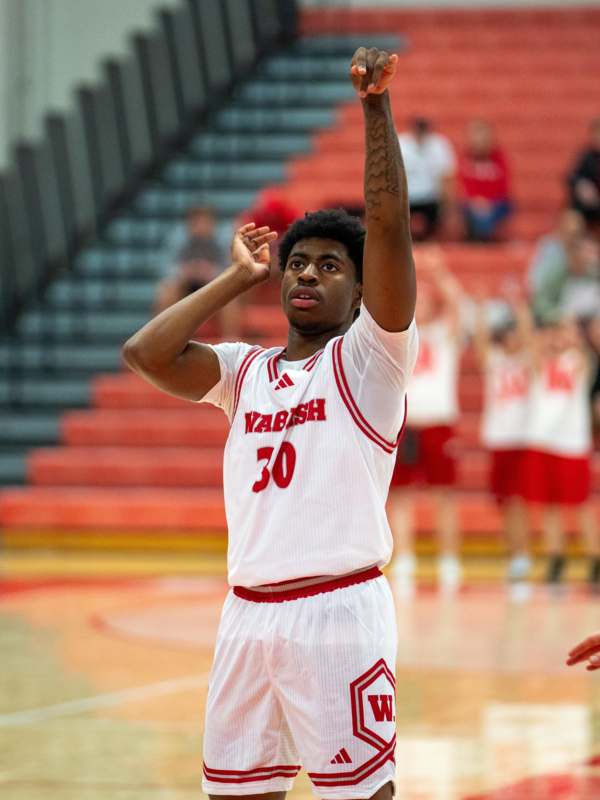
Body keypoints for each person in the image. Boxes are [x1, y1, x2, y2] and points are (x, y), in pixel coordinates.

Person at [123, 47, 417, 799]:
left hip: (339, 611)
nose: (306, 274)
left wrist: (375, 108)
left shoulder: (367, 361)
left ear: (358, 295)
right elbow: (145, 352)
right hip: (247, 617)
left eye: (328, 265)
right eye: (295, 264)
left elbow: (385, 228)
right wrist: (234, 276)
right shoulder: (243, 371)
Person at [388, 248, 463, 592]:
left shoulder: (445, 336)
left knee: (444, 496)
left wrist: (439, 273)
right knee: (401, 497)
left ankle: (448, 560)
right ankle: (404, 559)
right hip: (405, 423)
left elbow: (460, 308)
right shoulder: (399, 339)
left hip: (438, 422)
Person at [522, 319, 599, 587]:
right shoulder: (540, 360)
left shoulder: (579, 360)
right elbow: (531, 346)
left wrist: (570, 340)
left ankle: (594, 560)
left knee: (580, 505)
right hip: (542, 441)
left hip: (571, 444)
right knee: (549, 506)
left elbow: (584, 358)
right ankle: (556, 558)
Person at [473, 284, 532, 583]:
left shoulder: (528, 362)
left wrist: (518, 305)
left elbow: (530, 337)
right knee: (505, 502)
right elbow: (481, 344)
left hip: (521, 439)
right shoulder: (495, 361)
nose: (512, 339)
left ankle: (521, 555)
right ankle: (514, 554)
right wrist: (483, 310)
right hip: (499, 438)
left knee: (518, 502)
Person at [154, 206, 241, 338]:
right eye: (197, 222)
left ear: (213, 223)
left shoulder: (223, 239)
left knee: (230, 298)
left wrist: (212, 272)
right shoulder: (178, 238)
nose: (201, 227)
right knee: (166, 292)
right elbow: (165, 267)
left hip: (214, 283)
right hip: (184, 285)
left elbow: (232, 268)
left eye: (205, 222)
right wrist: (185, 271)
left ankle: (231, 338)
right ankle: (160, 337)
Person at [398, 117, 456, 241]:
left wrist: (448, 204)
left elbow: (446, 175)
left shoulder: (439, 145)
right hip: (406, 198)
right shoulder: (401, 144)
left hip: (431, 198)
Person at [458, 119, 512, 242]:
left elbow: (503, 186)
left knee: (488, 215)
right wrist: (475, 200)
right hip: (471, 203)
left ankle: (483, 242)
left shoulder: (500, 158)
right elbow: (463, 184)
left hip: (495, 202)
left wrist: (488, 202)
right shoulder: (465, 158)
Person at [567, 117, 600, 229]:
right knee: (573, 215)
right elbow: (572, 176)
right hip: (589, 206)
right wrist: (581, 184)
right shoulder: (587, 156)